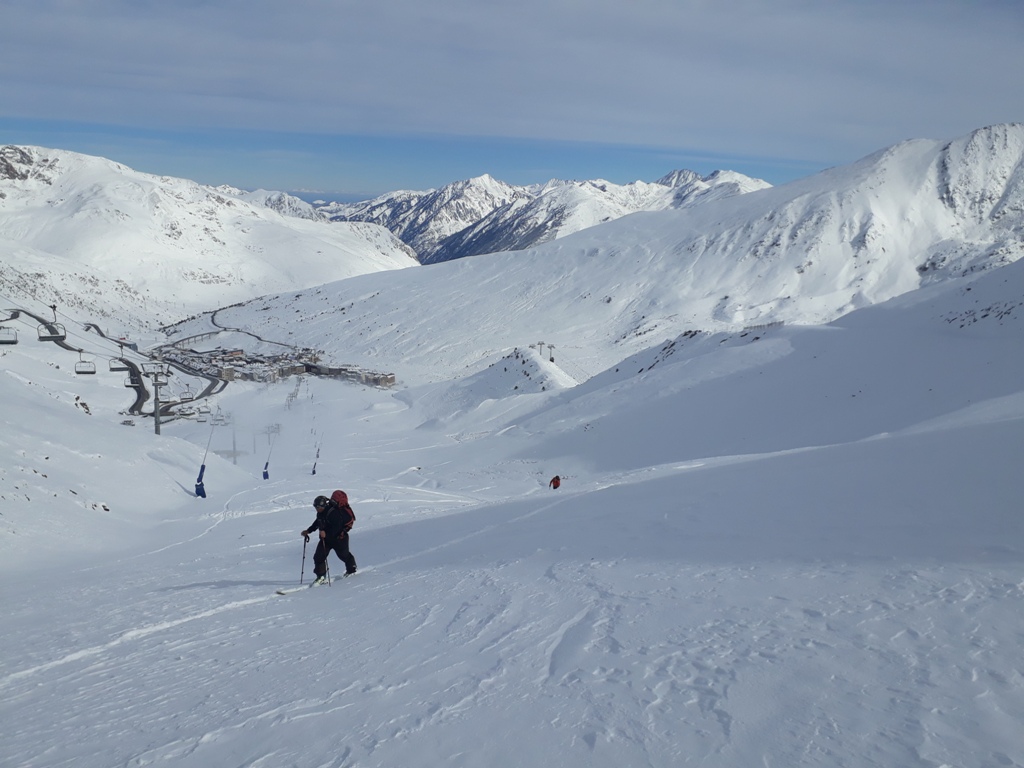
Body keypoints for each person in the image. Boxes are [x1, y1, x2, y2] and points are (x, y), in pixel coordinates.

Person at [301, 492, 357, 584]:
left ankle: (352, 570)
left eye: (318, 507)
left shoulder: (333, 513)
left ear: (323, 506)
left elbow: (337, 527)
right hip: (325, 540)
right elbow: (317, 523)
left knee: (344, 555)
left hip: (339, 539)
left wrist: (325, 533)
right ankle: (321, 576)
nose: (317, 509)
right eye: (315, 507)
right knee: (318, 557)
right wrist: (308, 531)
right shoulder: (320, 513)